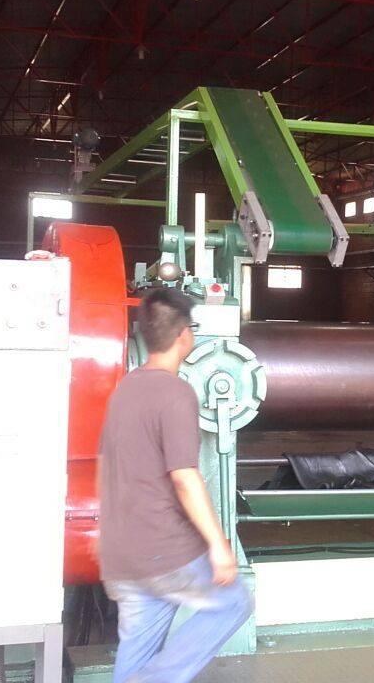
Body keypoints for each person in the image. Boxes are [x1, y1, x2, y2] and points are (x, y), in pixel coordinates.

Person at [99, 287, 252, 683]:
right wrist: (219, 545)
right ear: (185, 335)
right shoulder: (176, 393)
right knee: (234, 603)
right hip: (163, 551)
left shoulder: (125, 388)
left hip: (121, 553)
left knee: (137, 652)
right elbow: (184, 476)